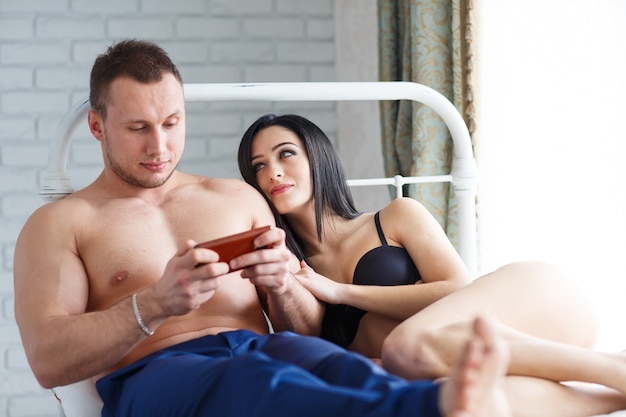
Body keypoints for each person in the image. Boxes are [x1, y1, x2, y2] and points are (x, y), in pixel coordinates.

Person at [13, 38, 517, 417]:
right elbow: (47, 361)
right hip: (154, 377)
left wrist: (281, 287)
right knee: (256, 377)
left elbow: (309, 328)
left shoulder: (235, 198)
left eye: (172, 122)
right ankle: (436, 407)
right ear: (98, 127)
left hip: (263, 346)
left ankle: (440, 400)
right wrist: (154, 303)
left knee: (331, 364)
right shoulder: (61, 223)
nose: (160, 147)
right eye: (138, 128)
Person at [237, 113, 626, 415]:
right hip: (466, 359)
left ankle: (612, 368)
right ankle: (613, 392)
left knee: (404, 346)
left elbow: (458, 287)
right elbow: (305, 348)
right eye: (258, 166)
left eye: (285, 153)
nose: (272, 171)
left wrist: (340, 292)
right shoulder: (286, 269)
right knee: (476, 401)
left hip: (536, 305)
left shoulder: (395, 216)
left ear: (317, 157)